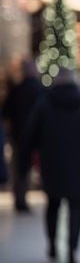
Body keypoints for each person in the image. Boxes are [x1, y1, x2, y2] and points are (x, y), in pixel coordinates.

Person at [20, 67, 80, 263]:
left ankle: (52, 245)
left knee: (52, 205)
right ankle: (72, 252)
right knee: (75, 208)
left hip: (52, 164)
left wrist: (26, 158)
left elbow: (29, 133)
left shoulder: (44, 104)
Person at [2, 58, 47, 213]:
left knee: (19, 167)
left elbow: (6, 110)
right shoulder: (41, 90)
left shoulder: (17, 89)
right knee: (32, 165)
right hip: (36, 136)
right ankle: (26, 196)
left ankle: (19, 198)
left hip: (18, 135)